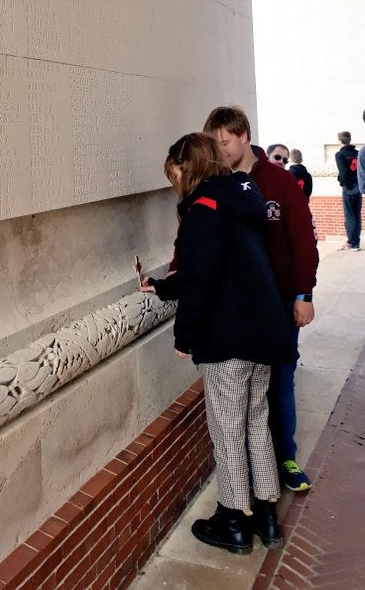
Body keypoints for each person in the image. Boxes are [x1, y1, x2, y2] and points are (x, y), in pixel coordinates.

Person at [144, 133, 294, 554]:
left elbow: (202, 279)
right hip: (261, 333)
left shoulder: (202, 208)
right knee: (256, 424)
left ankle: (232, 521)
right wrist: (159, 287)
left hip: (227, 338)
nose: (173, 180)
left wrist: (184, 336)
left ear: (183, 166)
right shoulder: (239, 200)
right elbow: (219, 269)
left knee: (228, 433)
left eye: (172, 172)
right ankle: (265, 514)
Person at [203, 106, 318, 493]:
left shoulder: (279, 182)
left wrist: (304, 294)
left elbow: (304, 241)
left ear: (244, 135)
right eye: (214, 144)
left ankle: (285, 458)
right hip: (236, 307)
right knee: (248, 395)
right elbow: (196, 232)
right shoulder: (216, 183)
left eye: (226, 141)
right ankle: (255, 468)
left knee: (280, 382)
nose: (221, 150)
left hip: (282, 302)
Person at [335, 131, 361, 251]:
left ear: (340, 141)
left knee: (349, 215)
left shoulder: (340, 155)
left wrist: (342, 182)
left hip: (349, 187)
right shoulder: (358, 153)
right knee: (357, 214)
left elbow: (343, 173)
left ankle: (351, 243)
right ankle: (356, 242)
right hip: (358, 186)